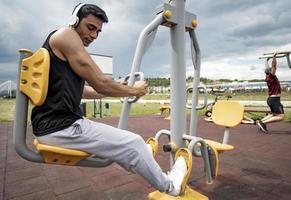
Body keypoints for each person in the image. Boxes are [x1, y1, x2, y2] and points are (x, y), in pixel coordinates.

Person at [31, 3, 189, 196]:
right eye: (90, 27)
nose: (94, 36)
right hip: (61, 127)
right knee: (134, 143)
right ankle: (171, 186)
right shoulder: (66, 35)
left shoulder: (62, 50)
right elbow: (100, 82)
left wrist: (120, 86)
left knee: (130, 148)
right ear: (75, 21)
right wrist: (134, 91)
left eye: (98, 32)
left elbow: (88, 91)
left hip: (53, 124)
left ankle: (141, 160)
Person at [257, 52, 284, 133]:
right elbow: (274, 66)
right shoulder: (272, 77)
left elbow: (268, 67)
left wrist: (266, 60)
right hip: (274, 99)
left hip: (271, 99)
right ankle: (262, 123)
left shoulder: (268, 76)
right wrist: (274, 56)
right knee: (281, 116)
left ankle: (260, 121)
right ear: (271, 72)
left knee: (274, 114)